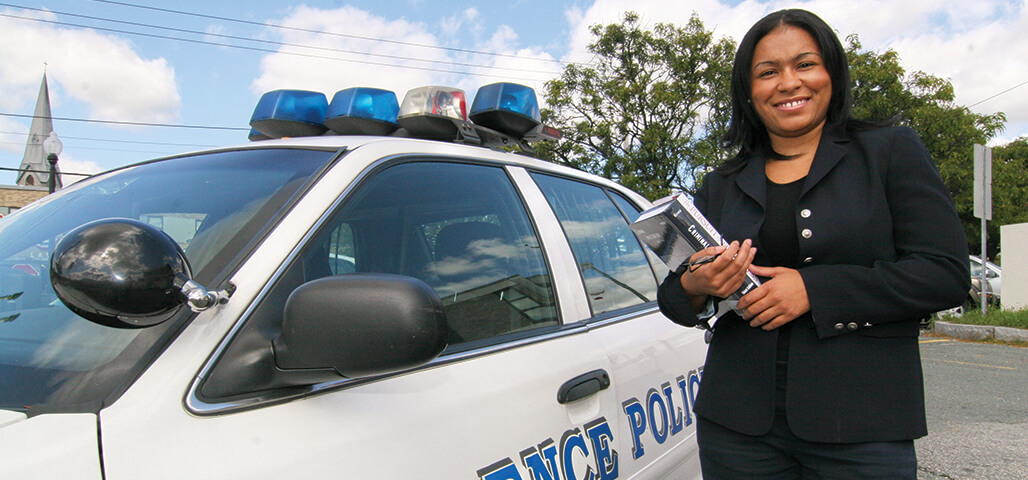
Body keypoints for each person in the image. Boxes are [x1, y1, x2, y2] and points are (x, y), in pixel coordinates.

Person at [656, 8, 969, 479]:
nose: (788, 83)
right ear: (749, 90)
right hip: (736, 429)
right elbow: (674, 298)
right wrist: (698, 284)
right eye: (767, 72)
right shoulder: (721, 182)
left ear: (832, 74)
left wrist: (814, 291)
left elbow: (945, 275)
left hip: (864, 429)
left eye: (805, 64)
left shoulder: (890, 151)